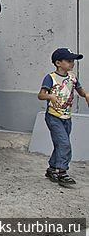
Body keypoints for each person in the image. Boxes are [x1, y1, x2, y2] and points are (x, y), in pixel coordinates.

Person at [38, 47, 89, 186]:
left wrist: (86, 95)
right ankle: (62, 172)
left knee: (60, 143)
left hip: (67, 117)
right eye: (69, 60)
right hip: (54, 116)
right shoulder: (51, 78)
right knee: (64, 143)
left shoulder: (72, 77)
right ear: (58, 62)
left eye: (73, 61)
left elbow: (79, 89)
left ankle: (52, 168)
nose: (72, 63)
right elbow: (41, 95)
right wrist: (50, 96)